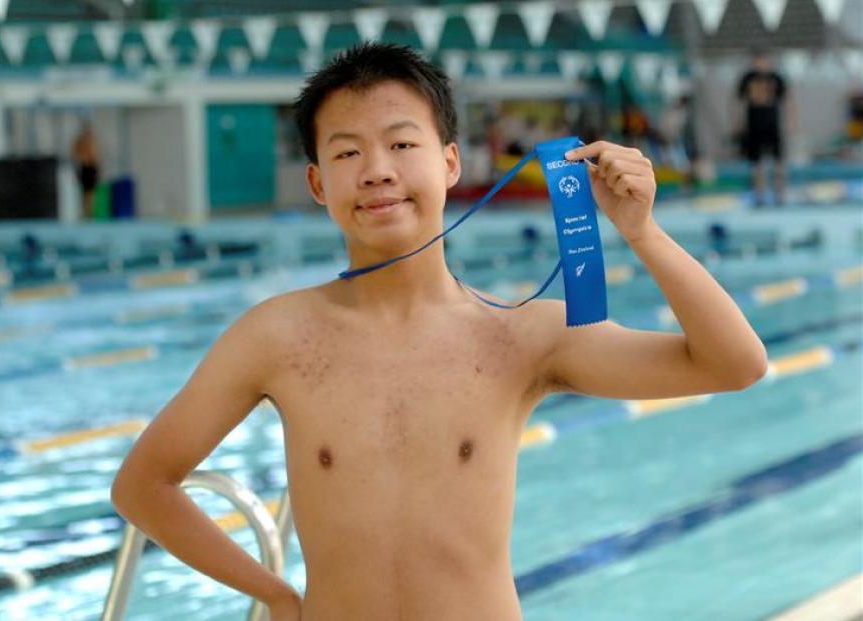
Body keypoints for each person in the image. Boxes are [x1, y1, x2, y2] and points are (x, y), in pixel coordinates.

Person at [111, 43, 767, 621]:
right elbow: (144, 482)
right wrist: (278, 595)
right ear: (318, 182)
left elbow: (734, 363)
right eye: (348, 152)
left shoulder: (522, 334)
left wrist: (641, 233)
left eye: (402, 144)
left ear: (451, 162)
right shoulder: (278, 335)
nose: (377, 170)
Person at [735, 50, 793, 206]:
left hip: (772, 125)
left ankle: (780, 195)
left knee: (779, 163)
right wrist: (738, 121)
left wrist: (791, 122)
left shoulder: (776, 78)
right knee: (757, 164)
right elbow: (739, 102)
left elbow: (787, 101)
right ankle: (760, 196)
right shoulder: (747, 78)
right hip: (754, 126)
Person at [72, 121, 100, 218]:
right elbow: (76, 154)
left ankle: (90, 212)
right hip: (85, 167)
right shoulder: (80, 141)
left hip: (91, 167)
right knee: (84, 192)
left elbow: (96, 156)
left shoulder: (92, 141)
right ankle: (85, 212)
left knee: (91, 192)